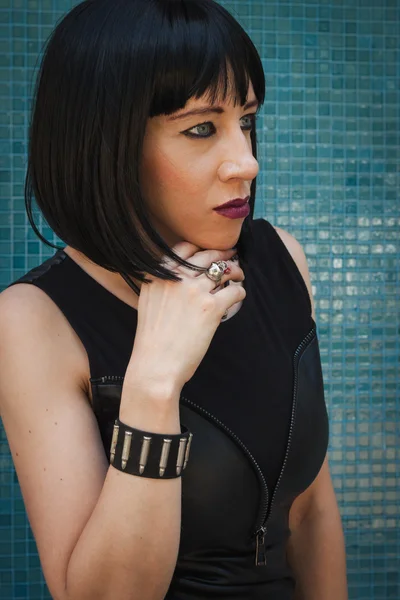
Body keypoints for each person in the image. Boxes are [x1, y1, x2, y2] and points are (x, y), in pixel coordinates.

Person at [0, 0, 348, 598]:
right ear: (107, 146)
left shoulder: (281, 261)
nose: (246, 162)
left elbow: (311, 510)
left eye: (247, 120)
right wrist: (154, 384)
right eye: (200, 128)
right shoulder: (31, 321)